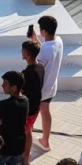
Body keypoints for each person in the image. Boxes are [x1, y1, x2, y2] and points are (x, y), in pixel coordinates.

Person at [31, 16, 64, 150]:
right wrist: (35, 40)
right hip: (51, 86)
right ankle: (45, 140)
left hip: (40, 89)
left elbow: (36, 65)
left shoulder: (44, 50)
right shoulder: (59, 41)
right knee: (45, 111)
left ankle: (27, 139)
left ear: (44, 31)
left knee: (30, 114)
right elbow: (45, 50)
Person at [20, 41, 45, 165]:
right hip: (36, 106)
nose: (21, 52)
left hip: (26, 109)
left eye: (23, 50)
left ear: (27, 54)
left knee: (24, 132)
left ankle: (23, 158)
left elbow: (21, 91)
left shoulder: (26, 73)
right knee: (28, 130)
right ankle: (26, 156)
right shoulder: (40, 66)